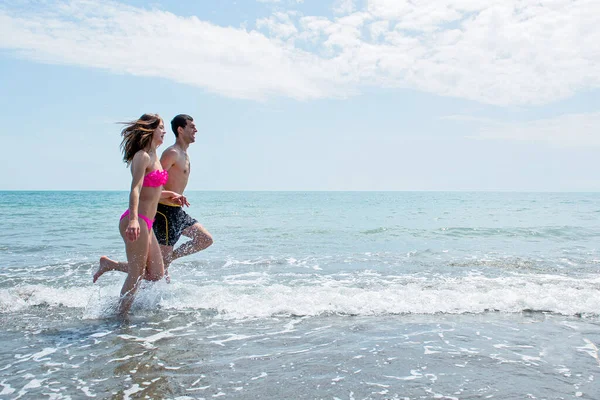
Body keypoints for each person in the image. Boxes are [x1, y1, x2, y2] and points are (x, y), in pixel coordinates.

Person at [94, 113, 186, 317]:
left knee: (156, 274)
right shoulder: (142, 156)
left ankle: (110, 265)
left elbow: (152, 191)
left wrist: (172, 195)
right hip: (136, 220)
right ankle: (120, 319)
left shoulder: (155, 157)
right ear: (150, 129)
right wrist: (134, 220)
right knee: (136, 274)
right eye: (161, 127)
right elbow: (135, 189)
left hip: (147, 223)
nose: (164, 131)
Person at [153, 114, 213, 281]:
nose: (196, 130)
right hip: (164, 212)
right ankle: (146, 300)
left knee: (204, 239)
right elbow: (153, 183)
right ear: (180, 129)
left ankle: (169, 259)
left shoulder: (184, 154)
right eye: (191, 127)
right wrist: (171, 195)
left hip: (177, 211)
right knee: (159, 271)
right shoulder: (172, 153)